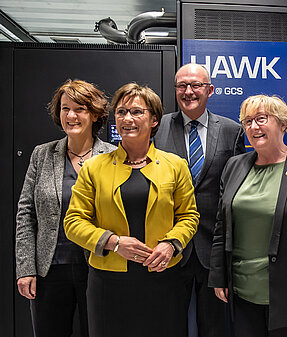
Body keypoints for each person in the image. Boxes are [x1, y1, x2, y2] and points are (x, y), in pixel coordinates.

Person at [64, 83, 199, 337]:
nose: (127, 118)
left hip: (163, 279)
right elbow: (73, 222)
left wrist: (171, 244)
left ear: (154, 119)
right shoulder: (94, 167)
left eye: (137, 112)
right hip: (108, 284)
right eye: (121, 111)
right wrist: (113, 242)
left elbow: (189, 216)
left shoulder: (175, 166)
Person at [208, 95, 287, 337]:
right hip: (242, 292)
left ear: (282, 123)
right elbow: (221, 227)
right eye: (247, 121)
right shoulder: (234, 166)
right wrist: (218, 276)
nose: (253, 127)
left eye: (261, 119)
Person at [15, 79, 115, 337]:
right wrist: (26, 269)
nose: (71, 115)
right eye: (65, 108)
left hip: (98, 268)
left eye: (80, 109)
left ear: (94, 114)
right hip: (50, 269)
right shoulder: (42, 155)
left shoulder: (112, 156)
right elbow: (26, 214)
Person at [153, 63, 245, 337]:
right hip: (167, 246)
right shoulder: (157, 128)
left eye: (196, 85)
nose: (188, 91)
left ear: (210, 90)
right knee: (168, 325)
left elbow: (237, 188)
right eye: (182, 85)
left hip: (213, 247)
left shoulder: (232, 130)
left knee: (215, 327)